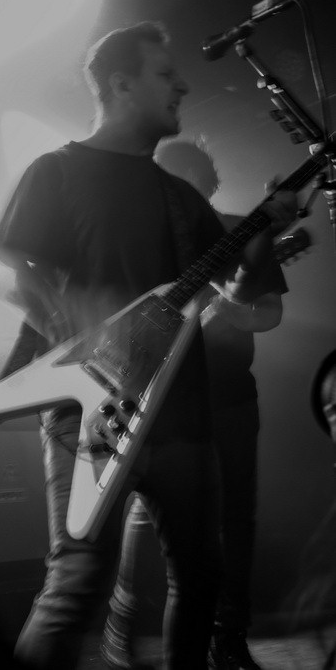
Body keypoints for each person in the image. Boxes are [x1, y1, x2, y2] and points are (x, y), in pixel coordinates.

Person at [0, 21, 298, 670]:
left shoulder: (180, 198)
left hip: (183, 417)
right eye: (165, 74)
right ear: (121, 85)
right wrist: (67, 320)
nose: (183, 85)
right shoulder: (57, 171)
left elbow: (239, 291)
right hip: (88, 412)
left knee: (201, 577)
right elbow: (4, 268)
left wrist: (268, 228)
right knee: (77, 584)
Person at [100, 139, 287, 670]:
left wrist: (227, 305)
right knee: (146, 514)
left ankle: (227, 639)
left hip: (229, 399)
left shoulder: (240, 231)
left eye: (198, 190)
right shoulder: (136, 237)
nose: (187, 201)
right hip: (157, 401)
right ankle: (123, 621)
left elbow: (269, 313)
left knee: (236, 518)